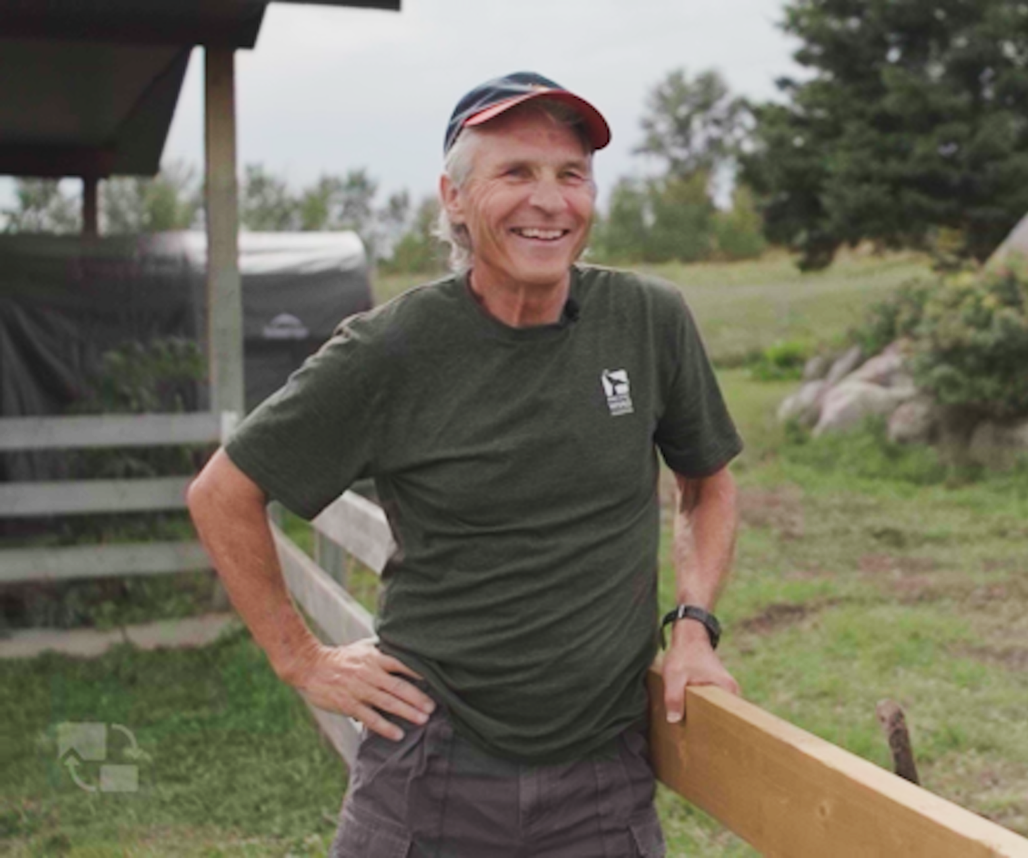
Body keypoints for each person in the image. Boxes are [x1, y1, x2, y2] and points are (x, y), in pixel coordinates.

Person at [187, 70, 743, 858]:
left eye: (571, 175)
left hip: (603, 772)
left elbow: (706, 485)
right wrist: (300, 659)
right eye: (515, 173)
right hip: (432, 765)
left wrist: (692, 630)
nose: (549, 201)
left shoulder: (647, 320)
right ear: (453, 197)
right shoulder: (392, 349)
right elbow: (222, 494)